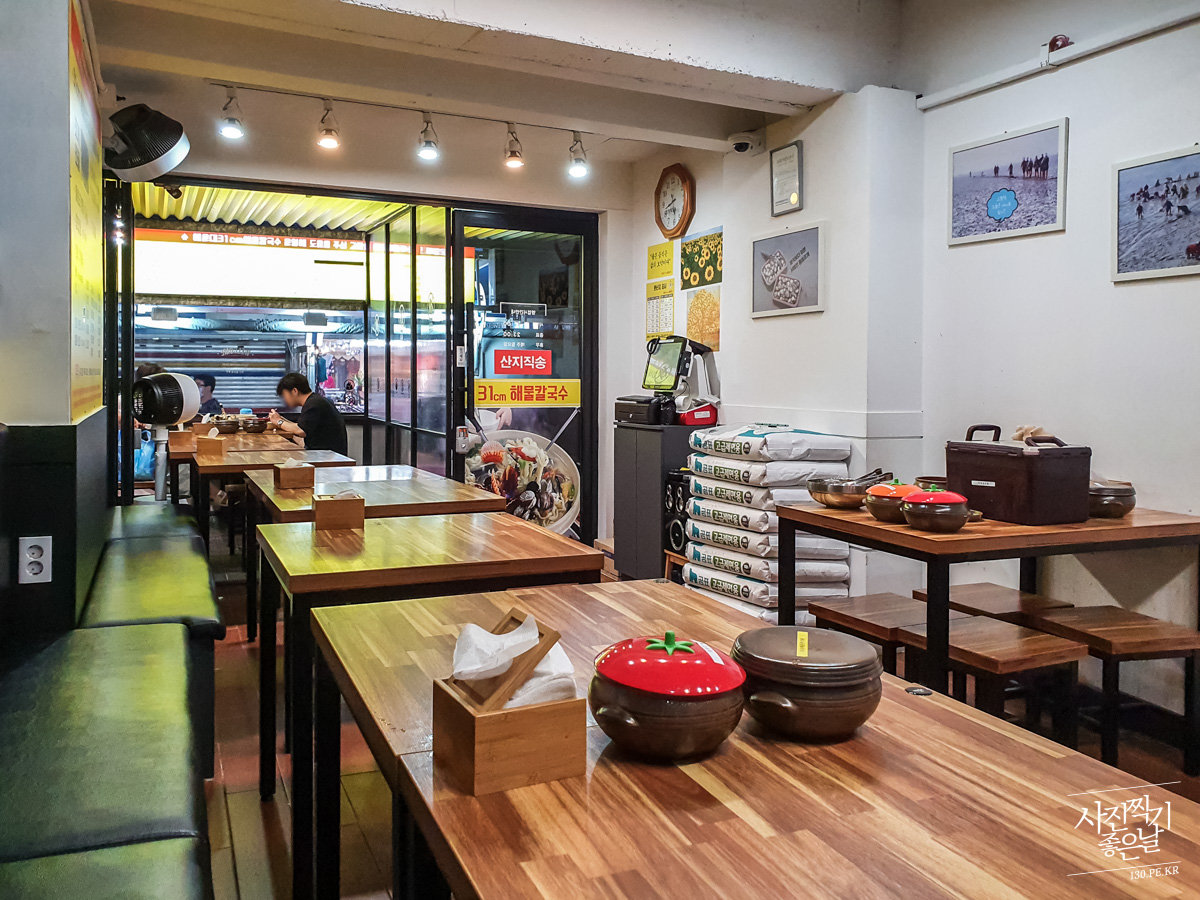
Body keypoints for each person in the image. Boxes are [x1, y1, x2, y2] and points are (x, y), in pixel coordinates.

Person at [269, 372, 348, 455]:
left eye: (285, 395)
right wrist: (280, 419)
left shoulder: (314, 404)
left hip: (328, 457)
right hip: (325, 454)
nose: (285, 400)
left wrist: (278, 421)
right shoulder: (315, 400)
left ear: (295, 391)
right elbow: (301, 426)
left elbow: (301, 430)